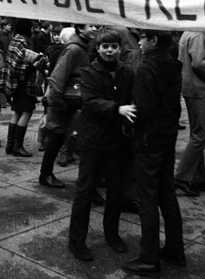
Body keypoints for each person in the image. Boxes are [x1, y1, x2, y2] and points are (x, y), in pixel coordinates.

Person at [121, 29, 186, 277]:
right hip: (167, 134)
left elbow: (143, 109)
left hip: (149, 139)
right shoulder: (172, 64)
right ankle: (175, 249)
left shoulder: (147, 68)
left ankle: (149, 258)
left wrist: (129, 125)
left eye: (143, 38)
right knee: (166, 192)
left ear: (154, 41)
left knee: (147, 197)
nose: (139, 42)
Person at [68, 29, 136, 261]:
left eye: (113, 47)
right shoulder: (88, 72)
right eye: (104, 46)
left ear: (119, 49)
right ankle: (76, 241)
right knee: (85, 191)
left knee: (115, 191)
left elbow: (133, 98)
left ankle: (112, 234)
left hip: (117, 141)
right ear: (97, 49)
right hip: (93, 140)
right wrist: (117, 109)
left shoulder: (127, 72)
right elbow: (91, 102)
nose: (109, 50)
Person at [40, 23, 97, 187]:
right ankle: (45, 175)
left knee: (60, 139)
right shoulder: (74, 49)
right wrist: (59, 104)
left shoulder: (82, 47)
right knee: (56, 139)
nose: (94, 29)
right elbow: (57, 77)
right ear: (80, 29)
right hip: (64, 104)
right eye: (90, 26)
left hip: (70, 103)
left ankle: (46, 174)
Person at [174, 30, 205, 197]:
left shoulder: (189, 33)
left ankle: (198, 178)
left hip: (190, 87)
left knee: (197, 135)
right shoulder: (197, 35)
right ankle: (181, 177)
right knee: (200, 135)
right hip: (197, 88)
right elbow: (198, 64)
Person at [0, 18, 43, 157]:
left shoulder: (14, 40)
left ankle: (10, 145)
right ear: (26, 28)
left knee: (17, 112)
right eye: (30, 27)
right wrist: (34, 64)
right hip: (23, 84)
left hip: (15, 84)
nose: (32, 30)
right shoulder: (22, 42)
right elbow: (20, 67)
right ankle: (17, 146)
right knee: (27, 112)